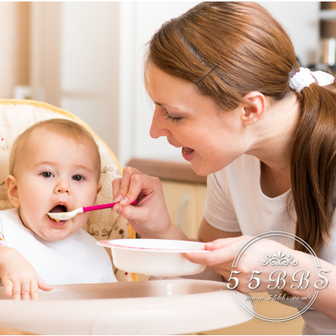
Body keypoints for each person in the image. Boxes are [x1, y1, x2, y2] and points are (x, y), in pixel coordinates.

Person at [112, 2, 336, 334]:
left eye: (174, 114)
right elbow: (217, 274)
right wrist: (160, 230)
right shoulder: (232, 157)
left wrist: (291, 269)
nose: (155, 130)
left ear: (249, 109)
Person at [0, 118, 117, 300]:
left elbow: (111, 304)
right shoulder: (5, 237)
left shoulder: (96, 252)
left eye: (77, 177)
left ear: (94, 197)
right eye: (47, 174)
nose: (63, 187)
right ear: (15, 191)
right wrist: (7, 260)